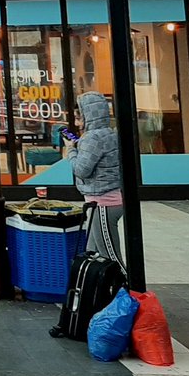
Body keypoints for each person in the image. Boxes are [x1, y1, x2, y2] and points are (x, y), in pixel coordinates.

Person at [68, 91, 125, 263]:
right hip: (104, 202)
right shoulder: (109, 133)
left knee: (110, 257)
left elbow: (81, 170)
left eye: (79, 118)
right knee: (91, 253)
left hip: (103, 204)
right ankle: (97, 289)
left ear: (88, 116)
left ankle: (123, 288)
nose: (77, 123)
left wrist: (70, 150)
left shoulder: (92, 138)